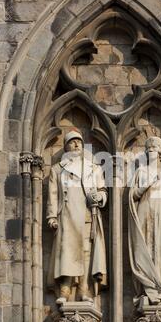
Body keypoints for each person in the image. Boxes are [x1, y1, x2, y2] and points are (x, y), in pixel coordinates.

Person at [46, 128, 107, 303]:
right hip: (66, 215)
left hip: (88, 214)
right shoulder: (58, 169)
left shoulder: (93, 168)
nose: (76, 144)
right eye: (72, 142)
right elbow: (53, 194)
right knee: (66, 251)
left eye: (79, 141)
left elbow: (102, 190)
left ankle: (83, 290)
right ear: (66, 147)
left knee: (86, 252)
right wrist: (51, 216)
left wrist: (100, 197)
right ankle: (65, 290)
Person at [128, 136, 161, 309]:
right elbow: (133, 195)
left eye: (154, 148)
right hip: (145, 210)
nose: (151, 151)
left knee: (160, 248)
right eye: (148, 149)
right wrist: (145, 186)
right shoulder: (141, 172)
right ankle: (148, 289)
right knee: (144, 248)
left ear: (160, 152)